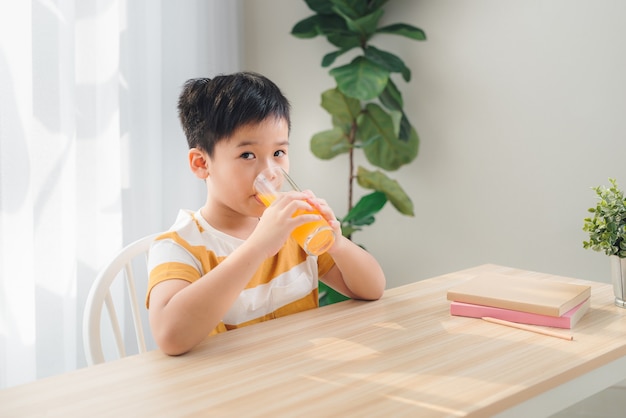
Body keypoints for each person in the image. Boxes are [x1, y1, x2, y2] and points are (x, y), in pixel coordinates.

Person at [146, 72, 386, 356]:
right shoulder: (178, 247)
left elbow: (372, 289)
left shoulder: (293, 226)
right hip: (229, 390)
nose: (269, 173)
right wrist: (258, 246)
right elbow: (171, 336)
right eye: (247, 155)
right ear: (201, 163)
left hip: (299, 375)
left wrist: (338, 243)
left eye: (279, 153)